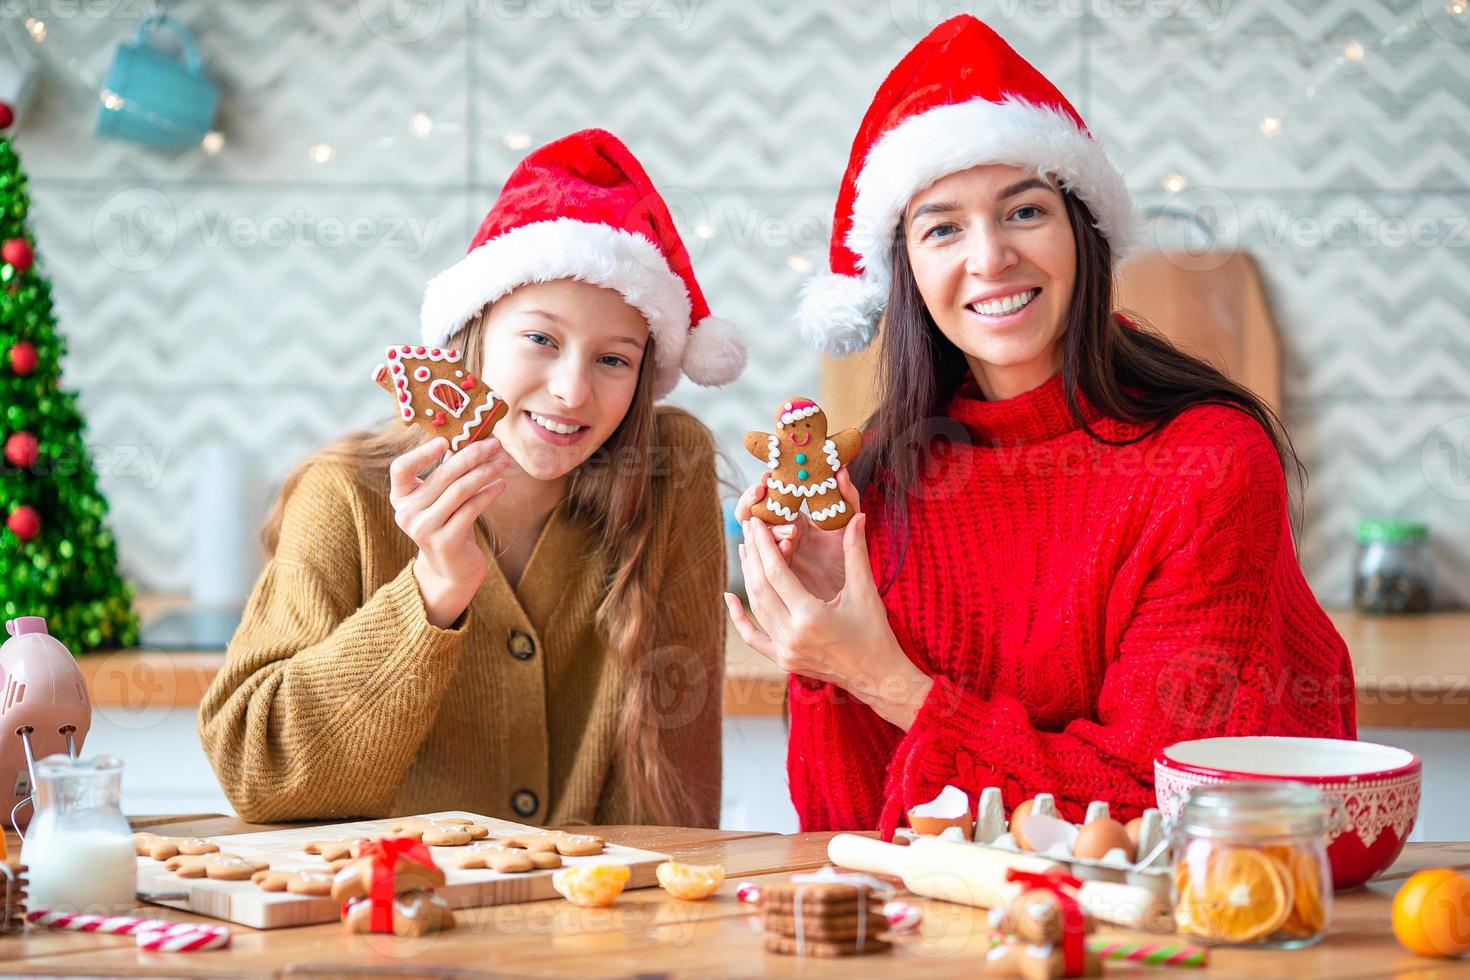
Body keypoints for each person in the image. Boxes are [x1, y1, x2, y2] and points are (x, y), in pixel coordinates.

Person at [725, 16, 1355, 836]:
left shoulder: (1206, 465)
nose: (989, 259)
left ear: (1080, 232)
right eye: (942, 227)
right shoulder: (888, 475)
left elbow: (1158, 807)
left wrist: (885, 679)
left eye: (1024, 212)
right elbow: (847, 828)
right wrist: (829, 643)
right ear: (907, 269)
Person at [200, 129, 747, 827]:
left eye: (614, 360)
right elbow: (257, 772)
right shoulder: (344, 496)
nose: (572, 392)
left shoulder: (669, 479)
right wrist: (432, 594)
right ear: (475, 330)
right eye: (541, 340)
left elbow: (677, 798)